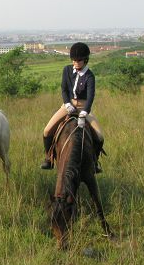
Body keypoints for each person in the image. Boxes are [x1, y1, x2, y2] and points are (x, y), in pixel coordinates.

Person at [40, 42, 105, 172]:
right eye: (74, 60)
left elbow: (91, 96)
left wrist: (84, 113)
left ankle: (95, 161)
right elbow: (64, 89)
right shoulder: (67, 70)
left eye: (79, 60)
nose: (75, 62)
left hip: (83, 107)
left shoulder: (89, 76)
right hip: (67, 105)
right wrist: (67, 103)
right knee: (46, 131)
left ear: (85, 60)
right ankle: (49, 158)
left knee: (100, 136)